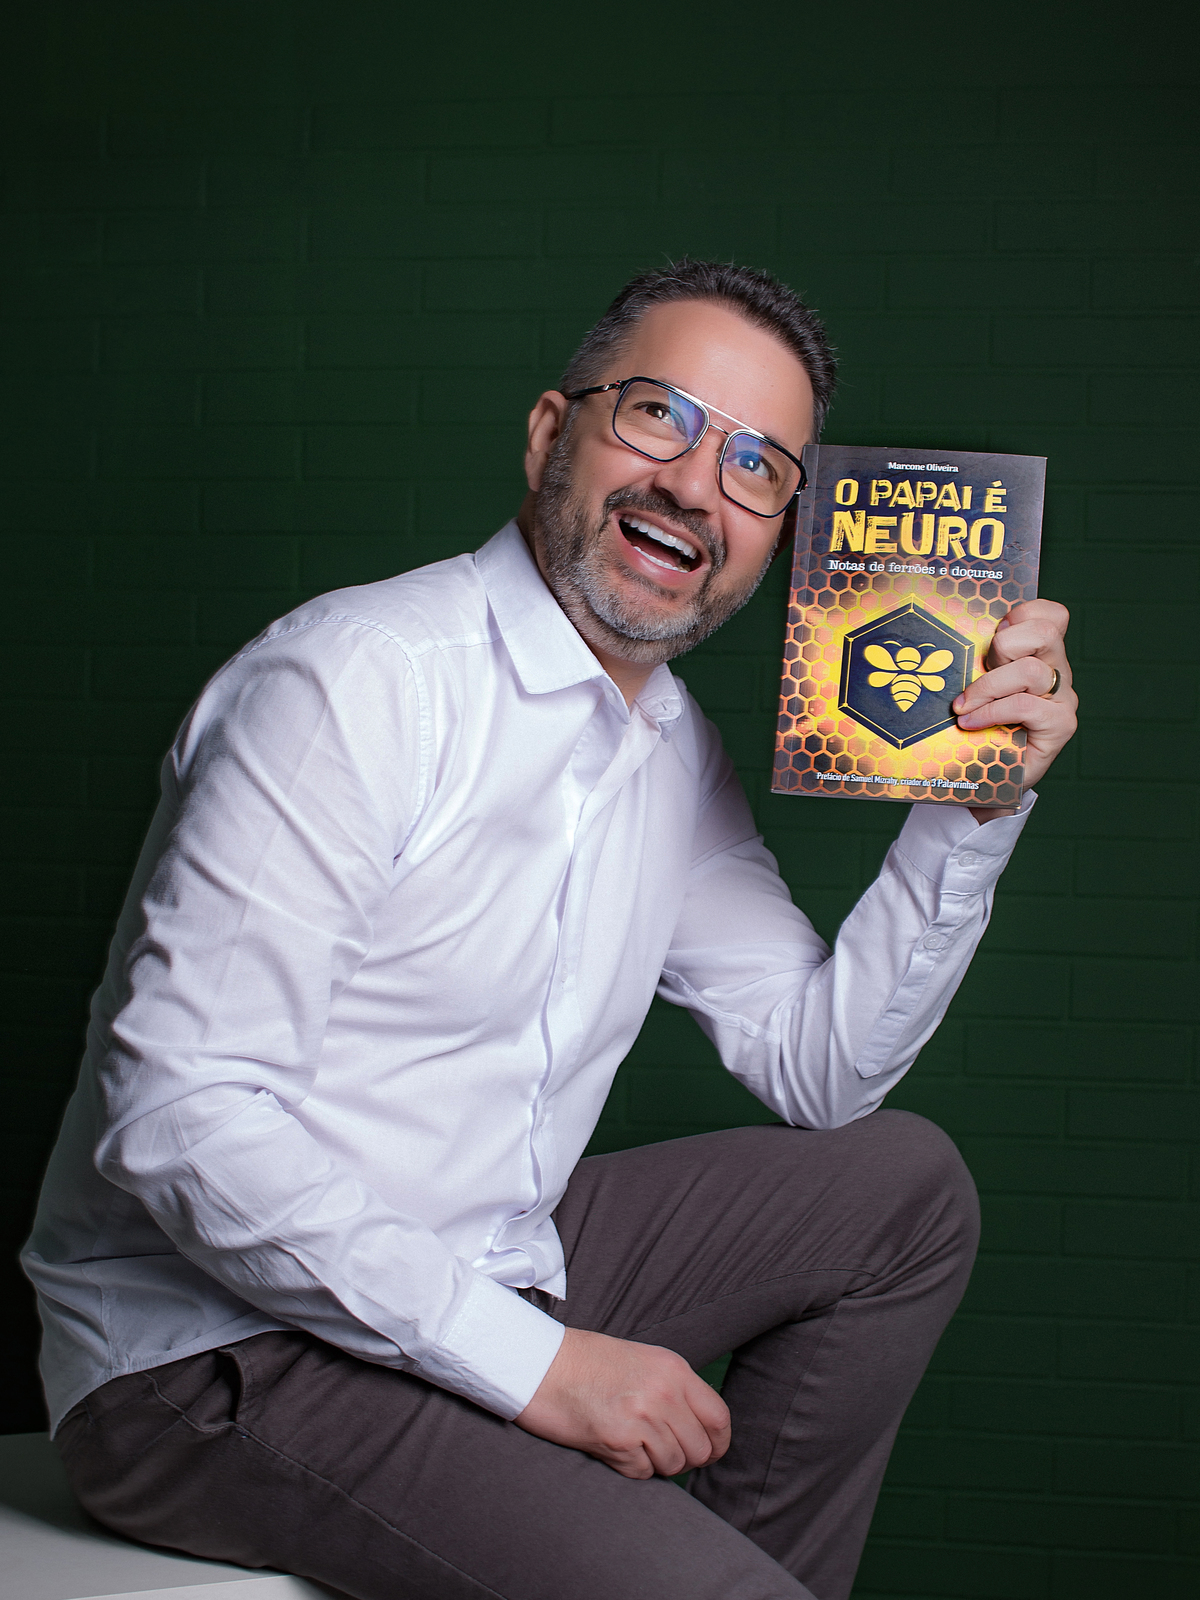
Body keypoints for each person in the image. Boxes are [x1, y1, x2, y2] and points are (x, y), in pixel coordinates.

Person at [23, 261, 1077, 1600]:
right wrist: (543, 1368)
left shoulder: (668, 749)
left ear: (780, 537)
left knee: (902, 1190)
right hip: (208, 1361)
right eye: (658, 416)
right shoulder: (355, 681)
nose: (694, 484)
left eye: (756, 466)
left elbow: (821, 1070)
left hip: (484, 1262)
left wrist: (970, 806)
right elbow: (180, 1117)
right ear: (548, 434)